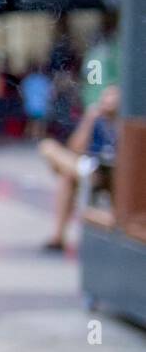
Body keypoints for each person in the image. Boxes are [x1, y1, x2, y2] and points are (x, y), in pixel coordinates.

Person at [38, 84, 120, 253]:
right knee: (49, 149)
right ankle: (58, 236)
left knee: (67, 177)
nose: (106, 100)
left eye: (112, 96)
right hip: (90, 165)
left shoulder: (124, 121)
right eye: (105, 96)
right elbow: (74, 148)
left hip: (111, 173)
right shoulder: (96, 120)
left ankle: (58, 236)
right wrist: (88, 121)